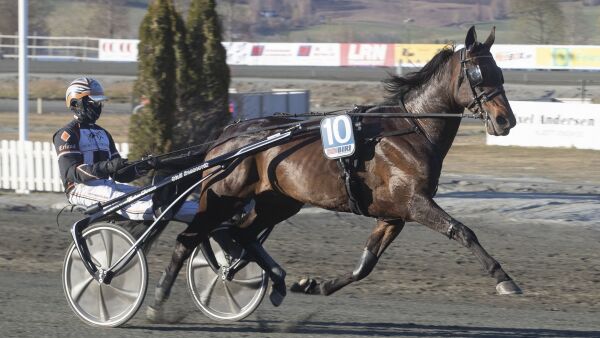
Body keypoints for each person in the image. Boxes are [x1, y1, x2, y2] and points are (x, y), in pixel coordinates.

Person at [52, 77, 197, 223]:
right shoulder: (66, 135)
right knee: (137, 203)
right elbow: (72, 173)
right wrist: (108, 167)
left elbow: (121, 175)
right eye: (93, 102)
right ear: (76, 103)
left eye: (99, 101)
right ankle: (157, 210)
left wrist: (143, 166)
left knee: (151, 195)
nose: (97, 106)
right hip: (80, 189)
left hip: (106, 186)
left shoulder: (104, 134)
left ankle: (200, 211)